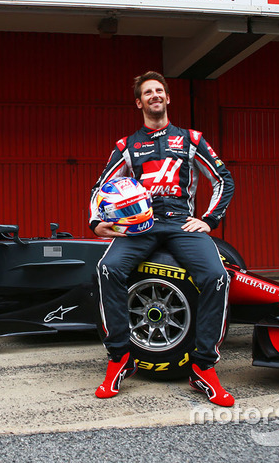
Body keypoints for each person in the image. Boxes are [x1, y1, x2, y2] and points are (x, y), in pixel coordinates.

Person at [89, 71, 235, 406]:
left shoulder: (191, 139)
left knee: (216, 277)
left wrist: (209, 220)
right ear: (139, 102)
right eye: (147, 92)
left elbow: (223, 178)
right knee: (107, 269)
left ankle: (202, 368)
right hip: (141, 227)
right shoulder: (126, 146)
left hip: (182, 224)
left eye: (160, 91)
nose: (155, 95)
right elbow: (101, 188)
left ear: (168, 98)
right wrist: (98, 222)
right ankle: (120, 359)